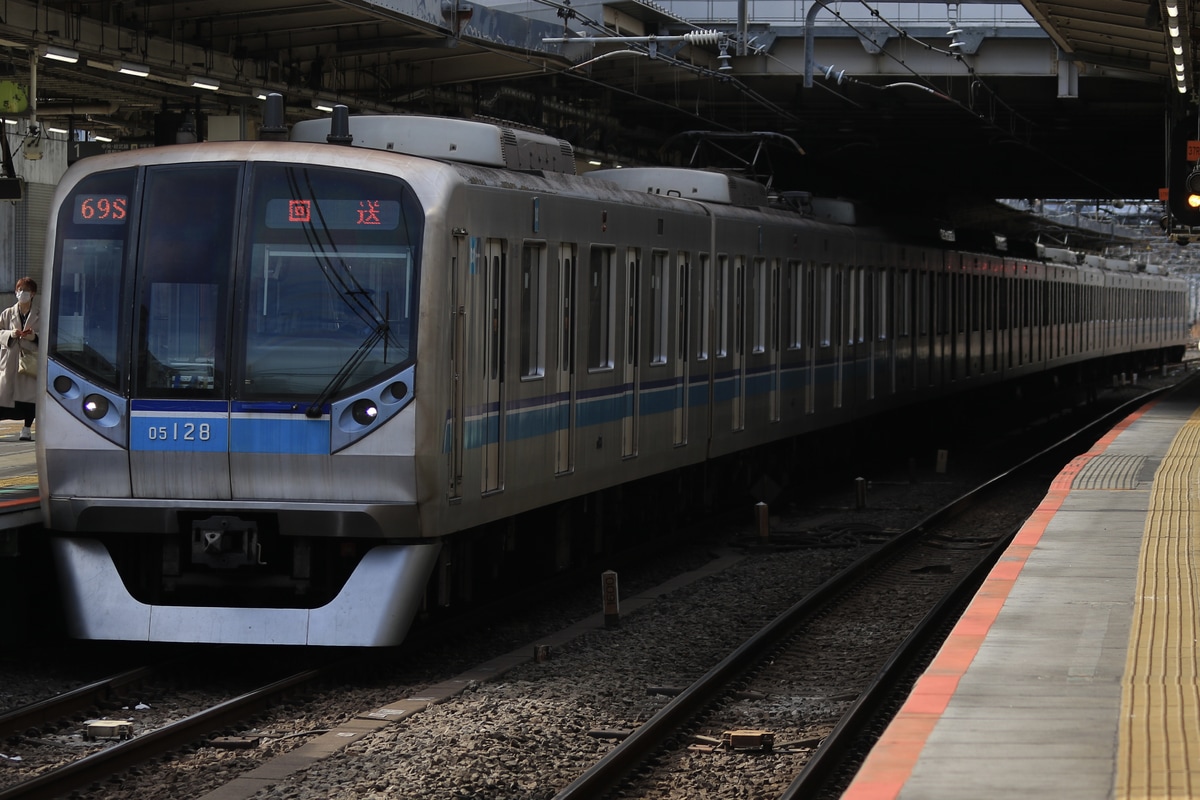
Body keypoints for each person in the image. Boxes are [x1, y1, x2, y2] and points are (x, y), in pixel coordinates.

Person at [0, 277, 38, 441]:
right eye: (19, 290)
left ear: (33, 294)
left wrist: (32, 336)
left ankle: (27, 428)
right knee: (4, 394)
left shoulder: (39, 314)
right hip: (10, 359)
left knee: (29, 396)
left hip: (29, 361)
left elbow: (47, 336)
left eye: (26, 290)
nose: (21, 293)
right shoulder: (8, 313)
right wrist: (11, 334)